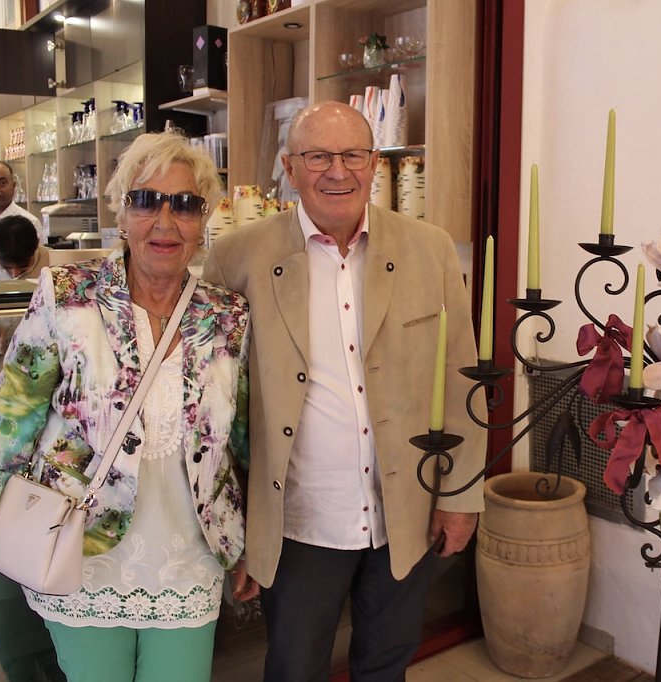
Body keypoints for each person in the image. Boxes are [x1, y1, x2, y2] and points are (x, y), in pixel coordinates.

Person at [0, 131, 258, 681]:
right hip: (81, 561)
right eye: (146, 200)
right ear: (121, 212)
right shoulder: (68, 295)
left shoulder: (227, 315)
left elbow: (243, 441)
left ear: (204, 218)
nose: (165, 221)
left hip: (190, 562)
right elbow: (5, 431)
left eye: (185, 204)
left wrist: (250, 543)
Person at [203, 101, 487, 681]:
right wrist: (231, 525)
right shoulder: (236, 257)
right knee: (294, 668)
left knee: (387, 663)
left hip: (405, 511)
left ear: (374, 163)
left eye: (353, 155)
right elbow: (214, 404)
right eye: (318, 157)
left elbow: (462, 376)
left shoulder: (430, 248)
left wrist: (460, 497)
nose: (338, 171)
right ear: (289, 167)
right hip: (300, 520)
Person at [0, 215, 52, 356]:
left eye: (23, 267)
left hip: (41, 352)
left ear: (37, 244)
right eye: (7, 267)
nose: (15, 274)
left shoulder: (51, 260)